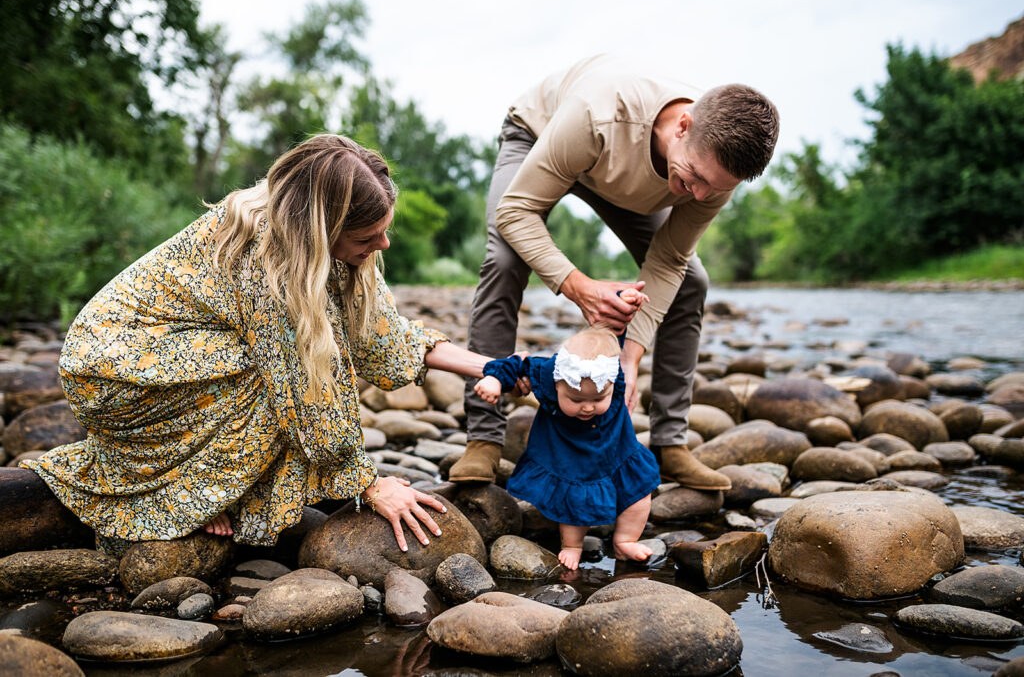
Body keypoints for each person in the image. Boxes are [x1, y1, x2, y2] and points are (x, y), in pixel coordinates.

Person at [24, 134, 496, 555]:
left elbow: (384, 337)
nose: (385, 245)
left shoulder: (320, 243)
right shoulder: (264, 257)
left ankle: (200, 488)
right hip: (114, 371)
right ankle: (184, 494)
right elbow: (306, 387)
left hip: (174, 361)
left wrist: (493, 367)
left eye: (385, 230)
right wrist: (369, 486)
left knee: (278, 368)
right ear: (322, 228)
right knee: (276, 377)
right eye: (369, 237)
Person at [452, 54, 780, 490]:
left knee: (692, 283)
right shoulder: (597, 114)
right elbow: (516, 212)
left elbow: (668, 261)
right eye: (696, 176)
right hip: (541, 134)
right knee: (506, 259)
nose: (699, 195)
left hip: (619, 176)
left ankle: (669, 443)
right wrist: (578, 287)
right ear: (683, 126)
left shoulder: (713, 176)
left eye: (714, 189)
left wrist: (631, 355)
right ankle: (485, 437)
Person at [474, 317, 660, 570]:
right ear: (557, 385)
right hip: (570, 456)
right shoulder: (551, 371)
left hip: (617, 451)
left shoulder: (608, 369)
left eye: (598, 398)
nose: (588, 407)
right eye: (575, 399)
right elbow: (515, 365)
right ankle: (572, 545)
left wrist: (624, 299)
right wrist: (494, 380)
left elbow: (617, 326)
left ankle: (625, 541)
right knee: (575, 499)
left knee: (639, 493)